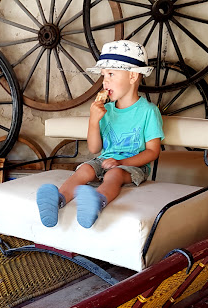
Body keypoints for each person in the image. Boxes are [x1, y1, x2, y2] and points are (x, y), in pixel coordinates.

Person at [36, 40, 164, 228]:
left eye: (111, 74)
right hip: (104, 159)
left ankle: (96, 202)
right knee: (85, 170)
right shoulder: (106, 110)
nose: (105, 82)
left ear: (133, 76)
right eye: (104, 76)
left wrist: (121, 162)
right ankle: (57, 201)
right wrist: (93, 120)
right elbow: (95, 148)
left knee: (115, 175)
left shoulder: (148, 112)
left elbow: (153, 152)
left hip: (132, 166)